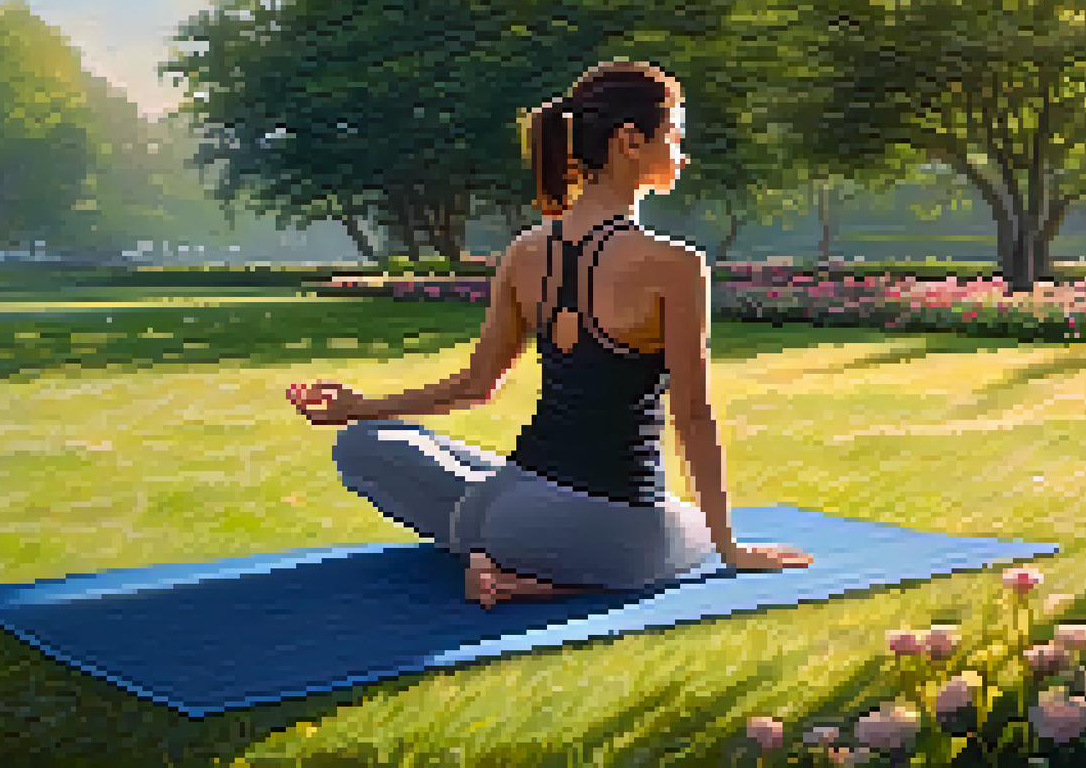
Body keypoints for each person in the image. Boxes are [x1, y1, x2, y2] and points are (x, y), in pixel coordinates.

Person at [289, 60, 812, 609]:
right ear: (630, 141)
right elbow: (693, 414)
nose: (683, 154)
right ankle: (527, 581)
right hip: (589, 525)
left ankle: (495, 551)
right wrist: (728, 546)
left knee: (363, 443)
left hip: (503, 505)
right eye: (675, 135)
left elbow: (476, 385)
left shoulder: (525, 252)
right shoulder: (675, 265)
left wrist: (360, 409)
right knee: (692, 536)